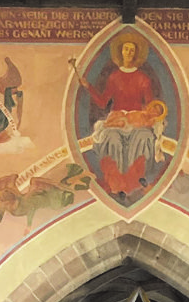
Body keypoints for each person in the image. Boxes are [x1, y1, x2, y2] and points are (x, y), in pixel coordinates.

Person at [70, 34, 164, 198]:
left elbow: (149, 105)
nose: (128, 52)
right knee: (111, 138)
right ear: (120, 52)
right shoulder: (114, 77)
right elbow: (102, 102)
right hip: (116, 119)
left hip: (136, 119)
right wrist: (88, 87)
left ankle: (134, 183)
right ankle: (115, 184)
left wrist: (149, 116)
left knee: (143, 137)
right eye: (126, 49)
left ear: (136, 54)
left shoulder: (143, 78)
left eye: (132, 50)